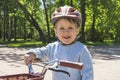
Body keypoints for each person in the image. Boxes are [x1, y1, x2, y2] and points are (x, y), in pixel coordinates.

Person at [24, 5, 94, 80]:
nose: (66, 32)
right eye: (61, 28)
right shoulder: (53, 47)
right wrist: (32, 53)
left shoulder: (81, 49)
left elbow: (88, 74)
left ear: (77, 30)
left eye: (70, 28)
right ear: (55, 31)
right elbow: (42, 52)